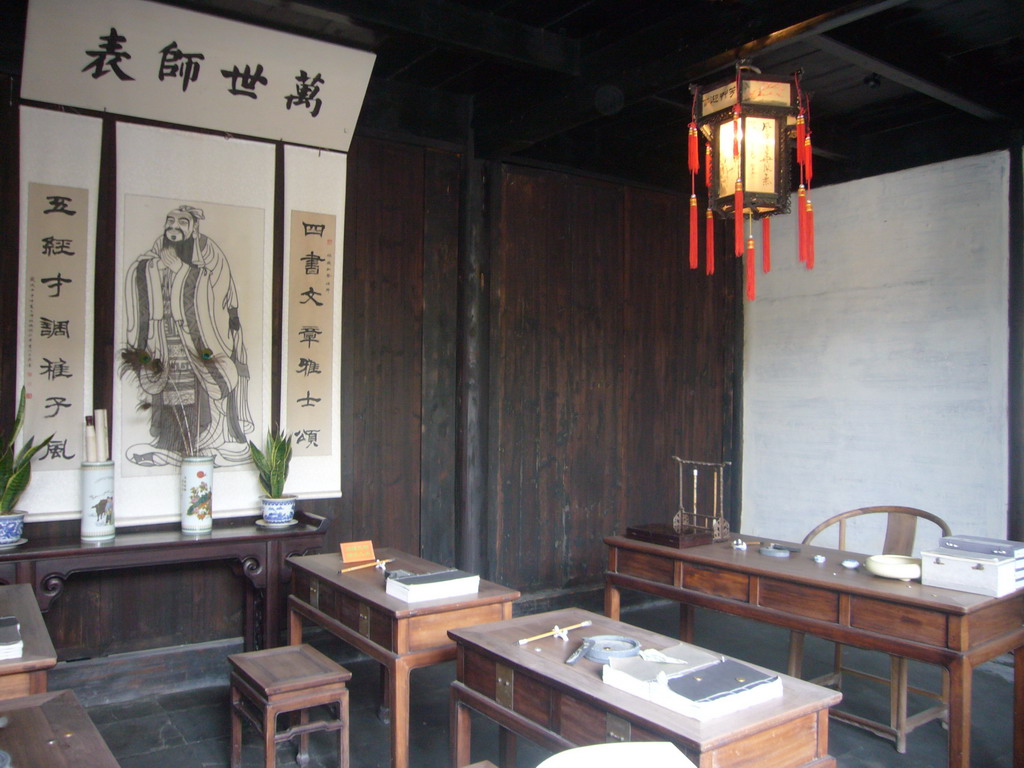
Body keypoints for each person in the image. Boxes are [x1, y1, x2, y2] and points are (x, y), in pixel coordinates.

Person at [123, 204, 253, 466]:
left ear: (194, 227)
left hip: (197, 337)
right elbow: (140, 277)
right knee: (168, 387)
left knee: (205, 383)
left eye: (182, 222)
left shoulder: (209, 253)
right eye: (170, 221)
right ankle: (170, 444)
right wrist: (154, 268)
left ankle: (209, 441)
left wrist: (183, 271)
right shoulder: (154, 256)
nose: (174, 227)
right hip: (163, 338)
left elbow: (220, 294)